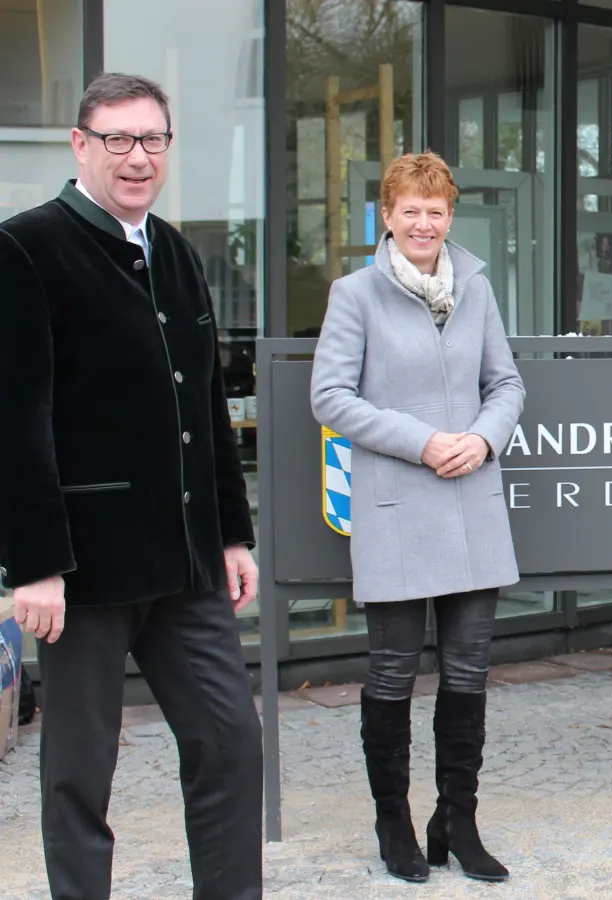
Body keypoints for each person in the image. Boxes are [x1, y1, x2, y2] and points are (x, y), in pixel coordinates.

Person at [0, 73, 263, 899]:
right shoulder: (24, 249)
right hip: (85, 571)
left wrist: (230, 532)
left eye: (152, 139)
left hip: (186, 564)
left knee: (230, 742)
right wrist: (34, 564)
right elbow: (15, 419)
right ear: (81, 145)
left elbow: (207, 407)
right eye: (118, 139)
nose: (137, 156)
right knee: (81, 772)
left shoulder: (178, 253)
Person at [311, 151, 525, 883]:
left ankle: (456, 820)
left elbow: (506, 382)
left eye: (436, 212)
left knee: (468, 671)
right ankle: (393, 820)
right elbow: (331, 397)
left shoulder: (476, 288)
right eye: (411, 211)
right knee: (393, 672)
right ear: (388, 216)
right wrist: (424, 440)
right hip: (398, 502)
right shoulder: (355, 294)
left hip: (473, 501)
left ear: (449, 217)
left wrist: (484, 435)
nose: (424, 223)